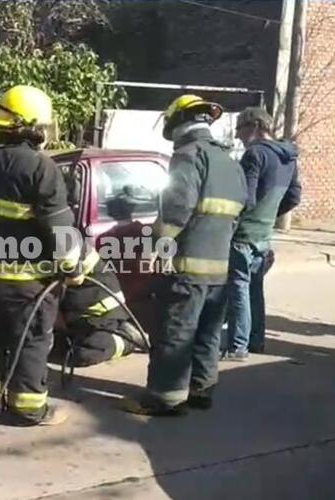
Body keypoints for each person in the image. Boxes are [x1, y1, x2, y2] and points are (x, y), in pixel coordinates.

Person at [0, 85, 84, 427]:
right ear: (34, 126)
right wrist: (73, 267)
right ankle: (27, 409)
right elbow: (60, 229)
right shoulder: (42, 168)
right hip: (28, 283)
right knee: (31, 341)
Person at [124, 94, 247, 416]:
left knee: (175, 333)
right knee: (207, 333)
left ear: (177, 123)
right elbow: (238, 213)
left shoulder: (188, 157)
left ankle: (165, 399)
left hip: (185, 269)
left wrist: (158, 245)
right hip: (218, 270)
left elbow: (178, 209)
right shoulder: (229, 162)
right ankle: (201, 390)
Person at [224, 107, 301, 360]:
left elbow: (246, 197)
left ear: (255, 126)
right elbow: (293, 196)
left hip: (244, 235)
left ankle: (238, 346)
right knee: (255, 290)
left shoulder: (254, 154)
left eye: (241, 130)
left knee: (239, 290)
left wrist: (230, 219)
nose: (238, 136)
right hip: (264, 235)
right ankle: (256, 340)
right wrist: (270, 214)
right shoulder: (288, 157)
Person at [57, 247, 144, 367]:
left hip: (100, 312)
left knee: (82, 354)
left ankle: (127, 340)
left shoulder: (64, 239)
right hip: (72, 312)